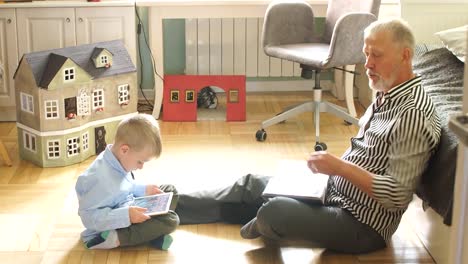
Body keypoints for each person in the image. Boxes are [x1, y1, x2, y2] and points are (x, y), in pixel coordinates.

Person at [175, 18, 441, 254]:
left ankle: (250, 215)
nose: (367, 64)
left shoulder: (412, 114)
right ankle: (170, 204)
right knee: (252, 184)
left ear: (405, 56)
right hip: (332, 191)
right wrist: (333, 172)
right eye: (366, 53)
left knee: (274, 211)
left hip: (360, 225)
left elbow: (396, 195)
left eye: (377, 55)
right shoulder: (387, 90)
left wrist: (338, 167)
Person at [75, 113, 179, 250]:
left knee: (171, 191)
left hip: (129, 204)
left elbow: (124, 187)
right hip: (111, 224)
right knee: (171, 220)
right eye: (140, 161)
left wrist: (144, 190)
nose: (141, 167)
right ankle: (116, 238)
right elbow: (89, 218)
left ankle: (149, 235)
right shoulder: (99, 179)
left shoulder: (116, 159)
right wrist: (126, 216)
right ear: (125, 150)